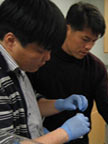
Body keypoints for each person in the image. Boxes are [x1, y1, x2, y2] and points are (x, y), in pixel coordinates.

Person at [28, 2, 108, 144]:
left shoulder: (95, 67)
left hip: (79, 139)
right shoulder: (42, 58)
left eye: (94, 41)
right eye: (85, 39)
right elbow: (27, 102)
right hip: (40, 138)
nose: (89, 46)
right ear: (67, 28)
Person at [0, 0, 90, 144]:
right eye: (41, 51)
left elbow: (28, 106)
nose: (47, 58)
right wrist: (64, 133)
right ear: (11, 41)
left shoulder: (17, 70)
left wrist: (59, 104)